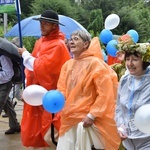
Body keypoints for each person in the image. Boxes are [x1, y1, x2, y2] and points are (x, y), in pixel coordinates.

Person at [56, 30, 121, 150]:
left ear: (86, 44)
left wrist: (92, 115)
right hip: (69, 117)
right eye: (71, 39)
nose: (72, 42)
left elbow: (105, 93)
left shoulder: (96, 64)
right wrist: (58, 100)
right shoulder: (67, 65)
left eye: (76, 39)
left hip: (87, 120)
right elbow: (62, 88)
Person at [18, 9, 71, 149]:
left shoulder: (58, 45)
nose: (41, 26)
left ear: (54, 26)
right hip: (38, 96)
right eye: (41, 22)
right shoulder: (41, 41)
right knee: (39, 133)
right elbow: (32, 68)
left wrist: (25, 55)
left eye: (45, 23)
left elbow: (42, 67)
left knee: (51, 136)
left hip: (51, 97)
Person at [115, 37, 150, 149]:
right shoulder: (125, 80)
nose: (130, 63)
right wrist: (120, 125)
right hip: (128, 141)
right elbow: (119, 108)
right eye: (128, 59)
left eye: (135, 59)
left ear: (144, 61)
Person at [2, 37, 23, 118]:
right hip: (16, 78)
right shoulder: (12, 54)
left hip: (17, 78)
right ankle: (29, 102)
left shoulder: (17, 54)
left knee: (11, 95)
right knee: (17, 95)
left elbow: (10, 72)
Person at [0, 54, 20, 134]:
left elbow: (9, 74)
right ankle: (15, 126)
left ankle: (15, 126)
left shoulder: (3, 57)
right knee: (7, 105)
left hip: (5, 84)